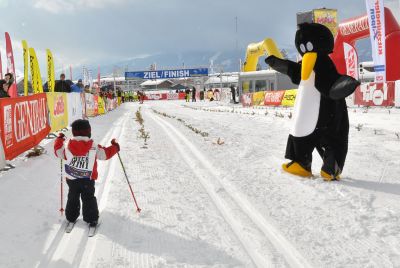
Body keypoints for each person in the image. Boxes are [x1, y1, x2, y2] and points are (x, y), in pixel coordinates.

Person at [54, 119, 120, 227]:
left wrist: (59, 139)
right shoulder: (93, 146)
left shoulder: (67, 146)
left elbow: (58, 151)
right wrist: (115, 147)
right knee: (88, 198)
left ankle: (71, 217)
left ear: (73, 132)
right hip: (87, 180)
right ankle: (91, 219)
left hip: (72, 178)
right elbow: (105, 154)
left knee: (72, 197)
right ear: (89, 132)